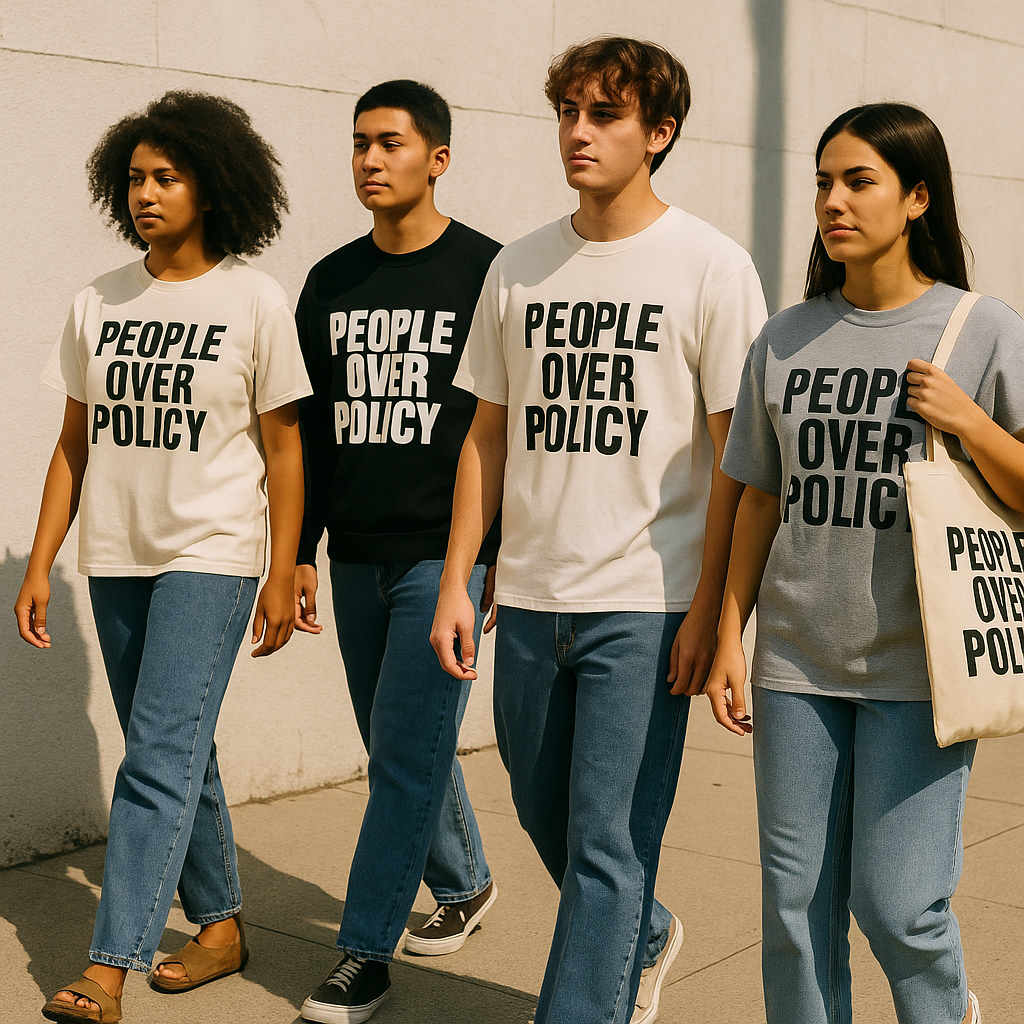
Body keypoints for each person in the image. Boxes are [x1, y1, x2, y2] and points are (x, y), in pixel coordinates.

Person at [431, 36, 767, 1024]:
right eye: (569, 112)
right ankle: (645, 931)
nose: (578, 132)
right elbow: (485, 435)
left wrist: (718, 612)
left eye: (605, 115)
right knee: (548, 814)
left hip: (649, 602)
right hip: (530, 597)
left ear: (658, 133)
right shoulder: (519, 266)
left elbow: (738, 465)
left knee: (609, 840)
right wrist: (460, 575)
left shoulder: (709, 265)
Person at [706, 102, 1024, 1024]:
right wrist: (731, 635)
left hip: (924, 668)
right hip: (798, 661)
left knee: (899, 907)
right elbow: (758, 498)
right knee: (796, 909)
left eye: (858, 181)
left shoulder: (984, 330)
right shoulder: (787, 336)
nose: (832, 202)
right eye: (822, 182)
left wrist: (967, 421)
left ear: (917, 197)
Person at [15, 90, 310, 1024]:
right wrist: (40, 561)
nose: (147, 193)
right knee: (176, 749)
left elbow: (285, 452)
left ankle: (109, 963)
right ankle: (220, 925)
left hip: (213, 555)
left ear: (213, 186)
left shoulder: (255, 298)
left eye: (168, 177)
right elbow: (75, 444)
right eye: (136, 178)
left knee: (154, 757)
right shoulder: (97, 301)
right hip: (116, 554)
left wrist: (281, 568)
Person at [294, 80, 501, 1024]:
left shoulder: (487, 276)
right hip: (353, 557)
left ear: (438, 159)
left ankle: (364, 953)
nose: (370, 160)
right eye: (358, 144)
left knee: (404, 762)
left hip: (442, 559)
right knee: (397, 743)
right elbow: (312, 439)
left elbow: (506, 433)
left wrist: (488, 562)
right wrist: (298, 550)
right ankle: (466, 881)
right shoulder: (329, 282)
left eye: (390, 143)